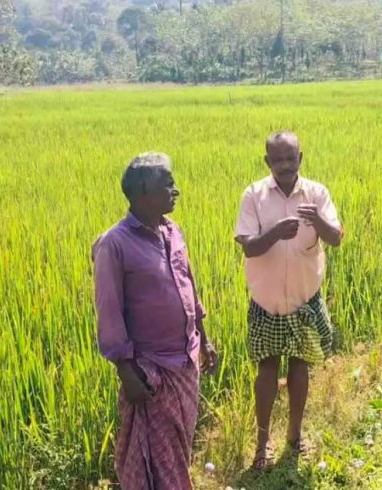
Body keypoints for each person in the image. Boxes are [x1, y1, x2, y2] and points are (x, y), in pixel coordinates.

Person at [92, 152, 217, 490]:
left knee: (178, 449)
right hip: (151, 371)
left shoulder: (172, 231)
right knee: (157, 458)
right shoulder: (114, 244)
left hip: (185, 361)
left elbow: (188, 284)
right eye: (168, 184)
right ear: (143, 192)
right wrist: (125, 370)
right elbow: (109, 310)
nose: (175, 190)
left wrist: (203, 338)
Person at [234, 132, 344, 469]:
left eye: (290, 158)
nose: (284, 165)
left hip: (305, 298)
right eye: (277, 159)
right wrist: (275, 233)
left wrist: (318, 220)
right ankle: (262, 444)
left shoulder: (316, 193)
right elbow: (249, 246)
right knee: (266, 368)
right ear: (267, 161)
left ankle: (295, 438)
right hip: (266, 299)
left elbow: (336, 238)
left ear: (301, 157)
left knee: (300, 366)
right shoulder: (254, 195)